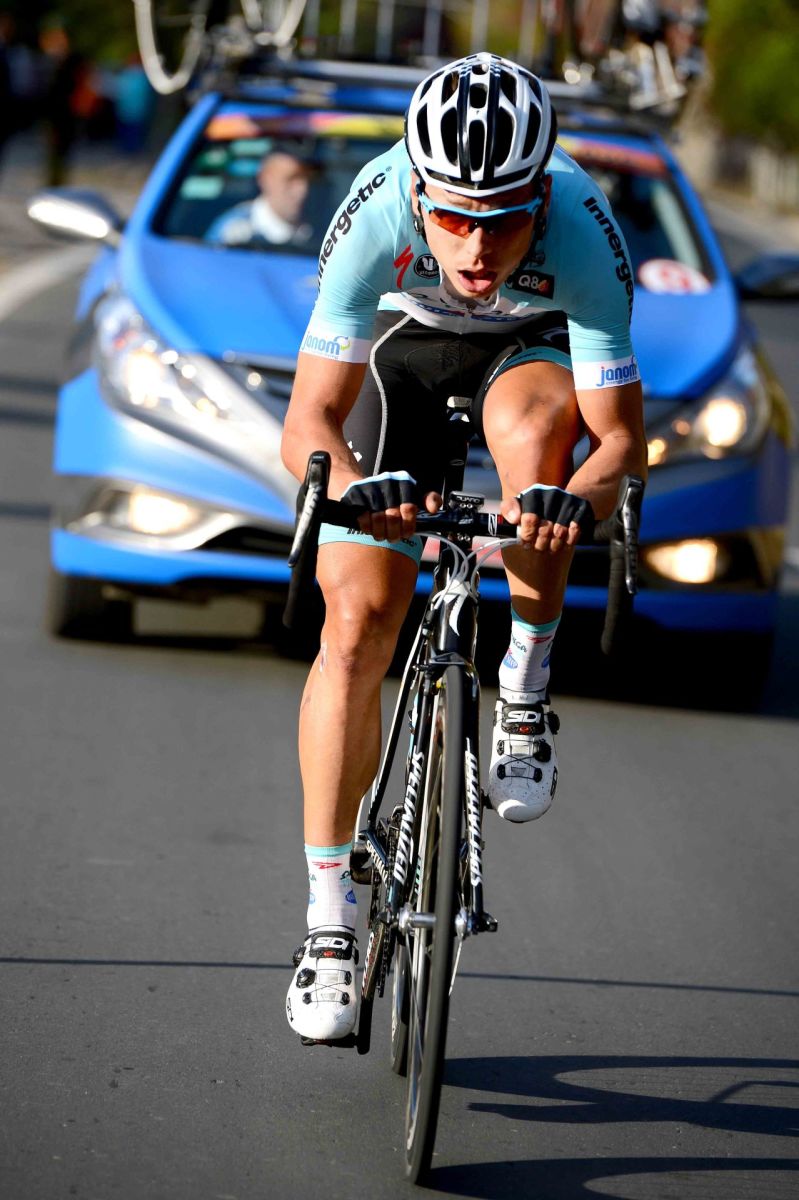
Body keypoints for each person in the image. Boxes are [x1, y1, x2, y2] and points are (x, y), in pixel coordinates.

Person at [281, 53, 647, 1042]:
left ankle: (521, 686)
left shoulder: (584, 230)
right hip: (399, 349)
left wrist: (570, 504)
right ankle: (328, 924)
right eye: (451, 218)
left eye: (503, 220)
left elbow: (619, 442)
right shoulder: (373, 213)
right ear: (417, 195)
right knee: (356, 625)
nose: (476, 248)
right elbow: (310, 418)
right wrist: (357, 488)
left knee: (538, 450)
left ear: (541, 199)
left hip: (530, 349)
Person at [206, 146, 314, 247]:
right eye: (291, 179)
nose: (303, 190)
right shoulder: (233, 233)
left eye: (309, 180)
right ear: (265, 179)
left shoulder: (316, 229)